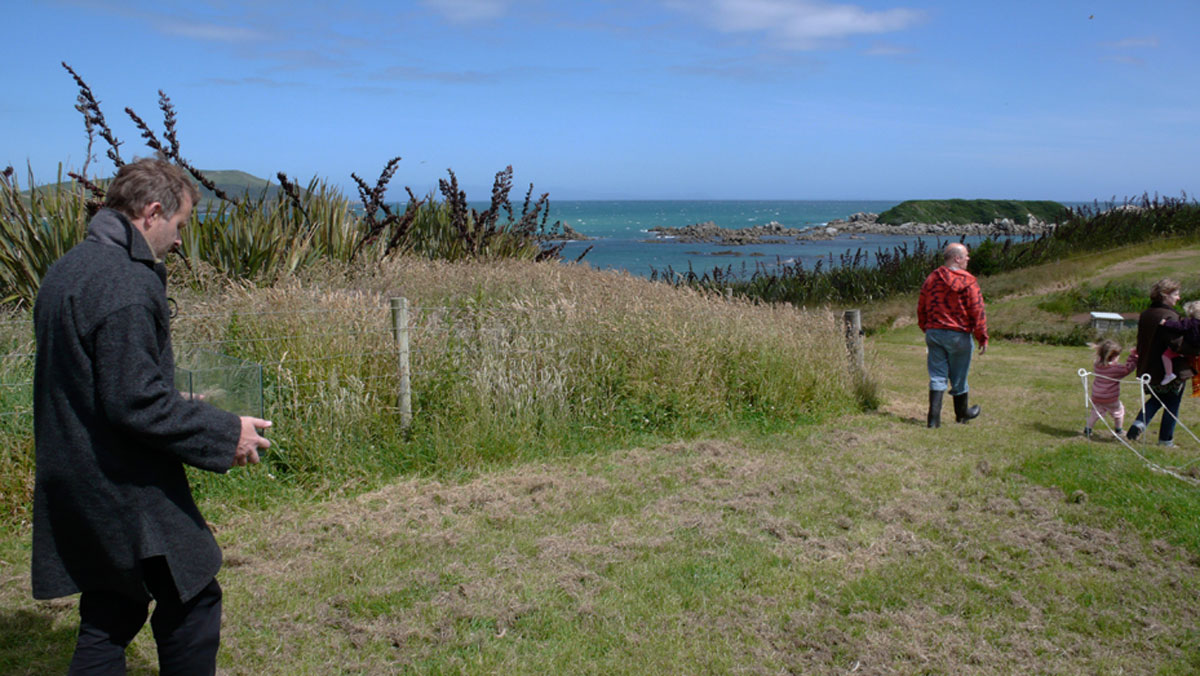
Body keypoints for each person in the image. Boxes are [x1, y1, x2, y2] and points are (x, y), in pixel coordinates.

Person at [32, 156, 273, 674]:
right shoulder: (125, 283)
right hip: (124, 488)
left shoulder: (67, 269)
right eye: (181, 225)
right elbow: (133, 402)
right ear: (153, 212)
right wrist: (227, 430)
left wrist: (181, 405)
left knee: (111, 610)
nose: (182, 240)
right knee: (193, 597)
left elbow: (100, 385)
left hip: (78, 476)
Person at [917, 242, 988, 427]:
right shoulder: (968, 281)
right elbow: (977, 310)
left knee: (937, 376)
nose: (968, 259)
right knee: (959, 377)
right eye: (966, 256)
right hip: (958, 334)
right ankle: (962, 413)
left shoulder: (932, 278)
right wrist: (982, 336)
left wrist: (926, 327)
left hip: (934, 332)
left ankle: (933, 419)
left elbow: (922, 305)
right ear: (956, 258)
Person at [1127, 278, 1192, 446]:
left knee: (1158, 398)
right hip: (1169, 370)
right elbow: (1177, 345)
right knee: (1172, 403)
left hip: (1149, 366)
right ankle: (1165, 440)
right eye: (1175, 294)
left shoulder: (1146, 313)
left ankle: (1138, 424)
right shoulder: (1169, 316)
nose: (1178, 298)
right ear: (1165, 295)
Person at [1084, 339, 1138, 439]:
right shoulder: (1116, 369)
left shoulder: (1097, 365)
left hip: (1096, 396)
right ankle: (1119, 430)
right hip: (1110, 398)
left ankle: (1088, 429)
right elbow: (1128, 368)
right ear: (1113, 356)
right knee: (1119, 411)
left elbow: (1102, 359)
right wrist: (1133, 357)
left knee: (1095, 412)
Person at [1157, 300, 1200, 385]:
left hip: (1186, 347)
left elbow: (1178, 326)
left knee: (1166, 356)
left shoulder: (1190, 322)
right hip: (1197, 350)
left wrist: (1165, 323)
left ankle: (1169, 374)